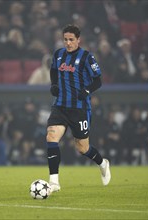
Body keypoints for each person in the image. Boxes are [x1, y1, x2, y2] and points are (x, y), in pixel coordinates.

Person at [46, 24, 111, 192]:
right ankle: (54, 182)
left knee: (82, 148)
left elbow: (98, 80)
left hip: (79, 109)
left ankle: (102, 163)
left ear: (78, 40)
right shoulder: (58, 55)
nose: (68, 43)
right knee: (51, 137)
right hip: (60, 106)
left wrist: (87, 90)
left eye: (71, 40)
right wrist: (54, 85)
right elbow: (53, 71)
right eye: (65, 39)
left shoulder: (87, 57)